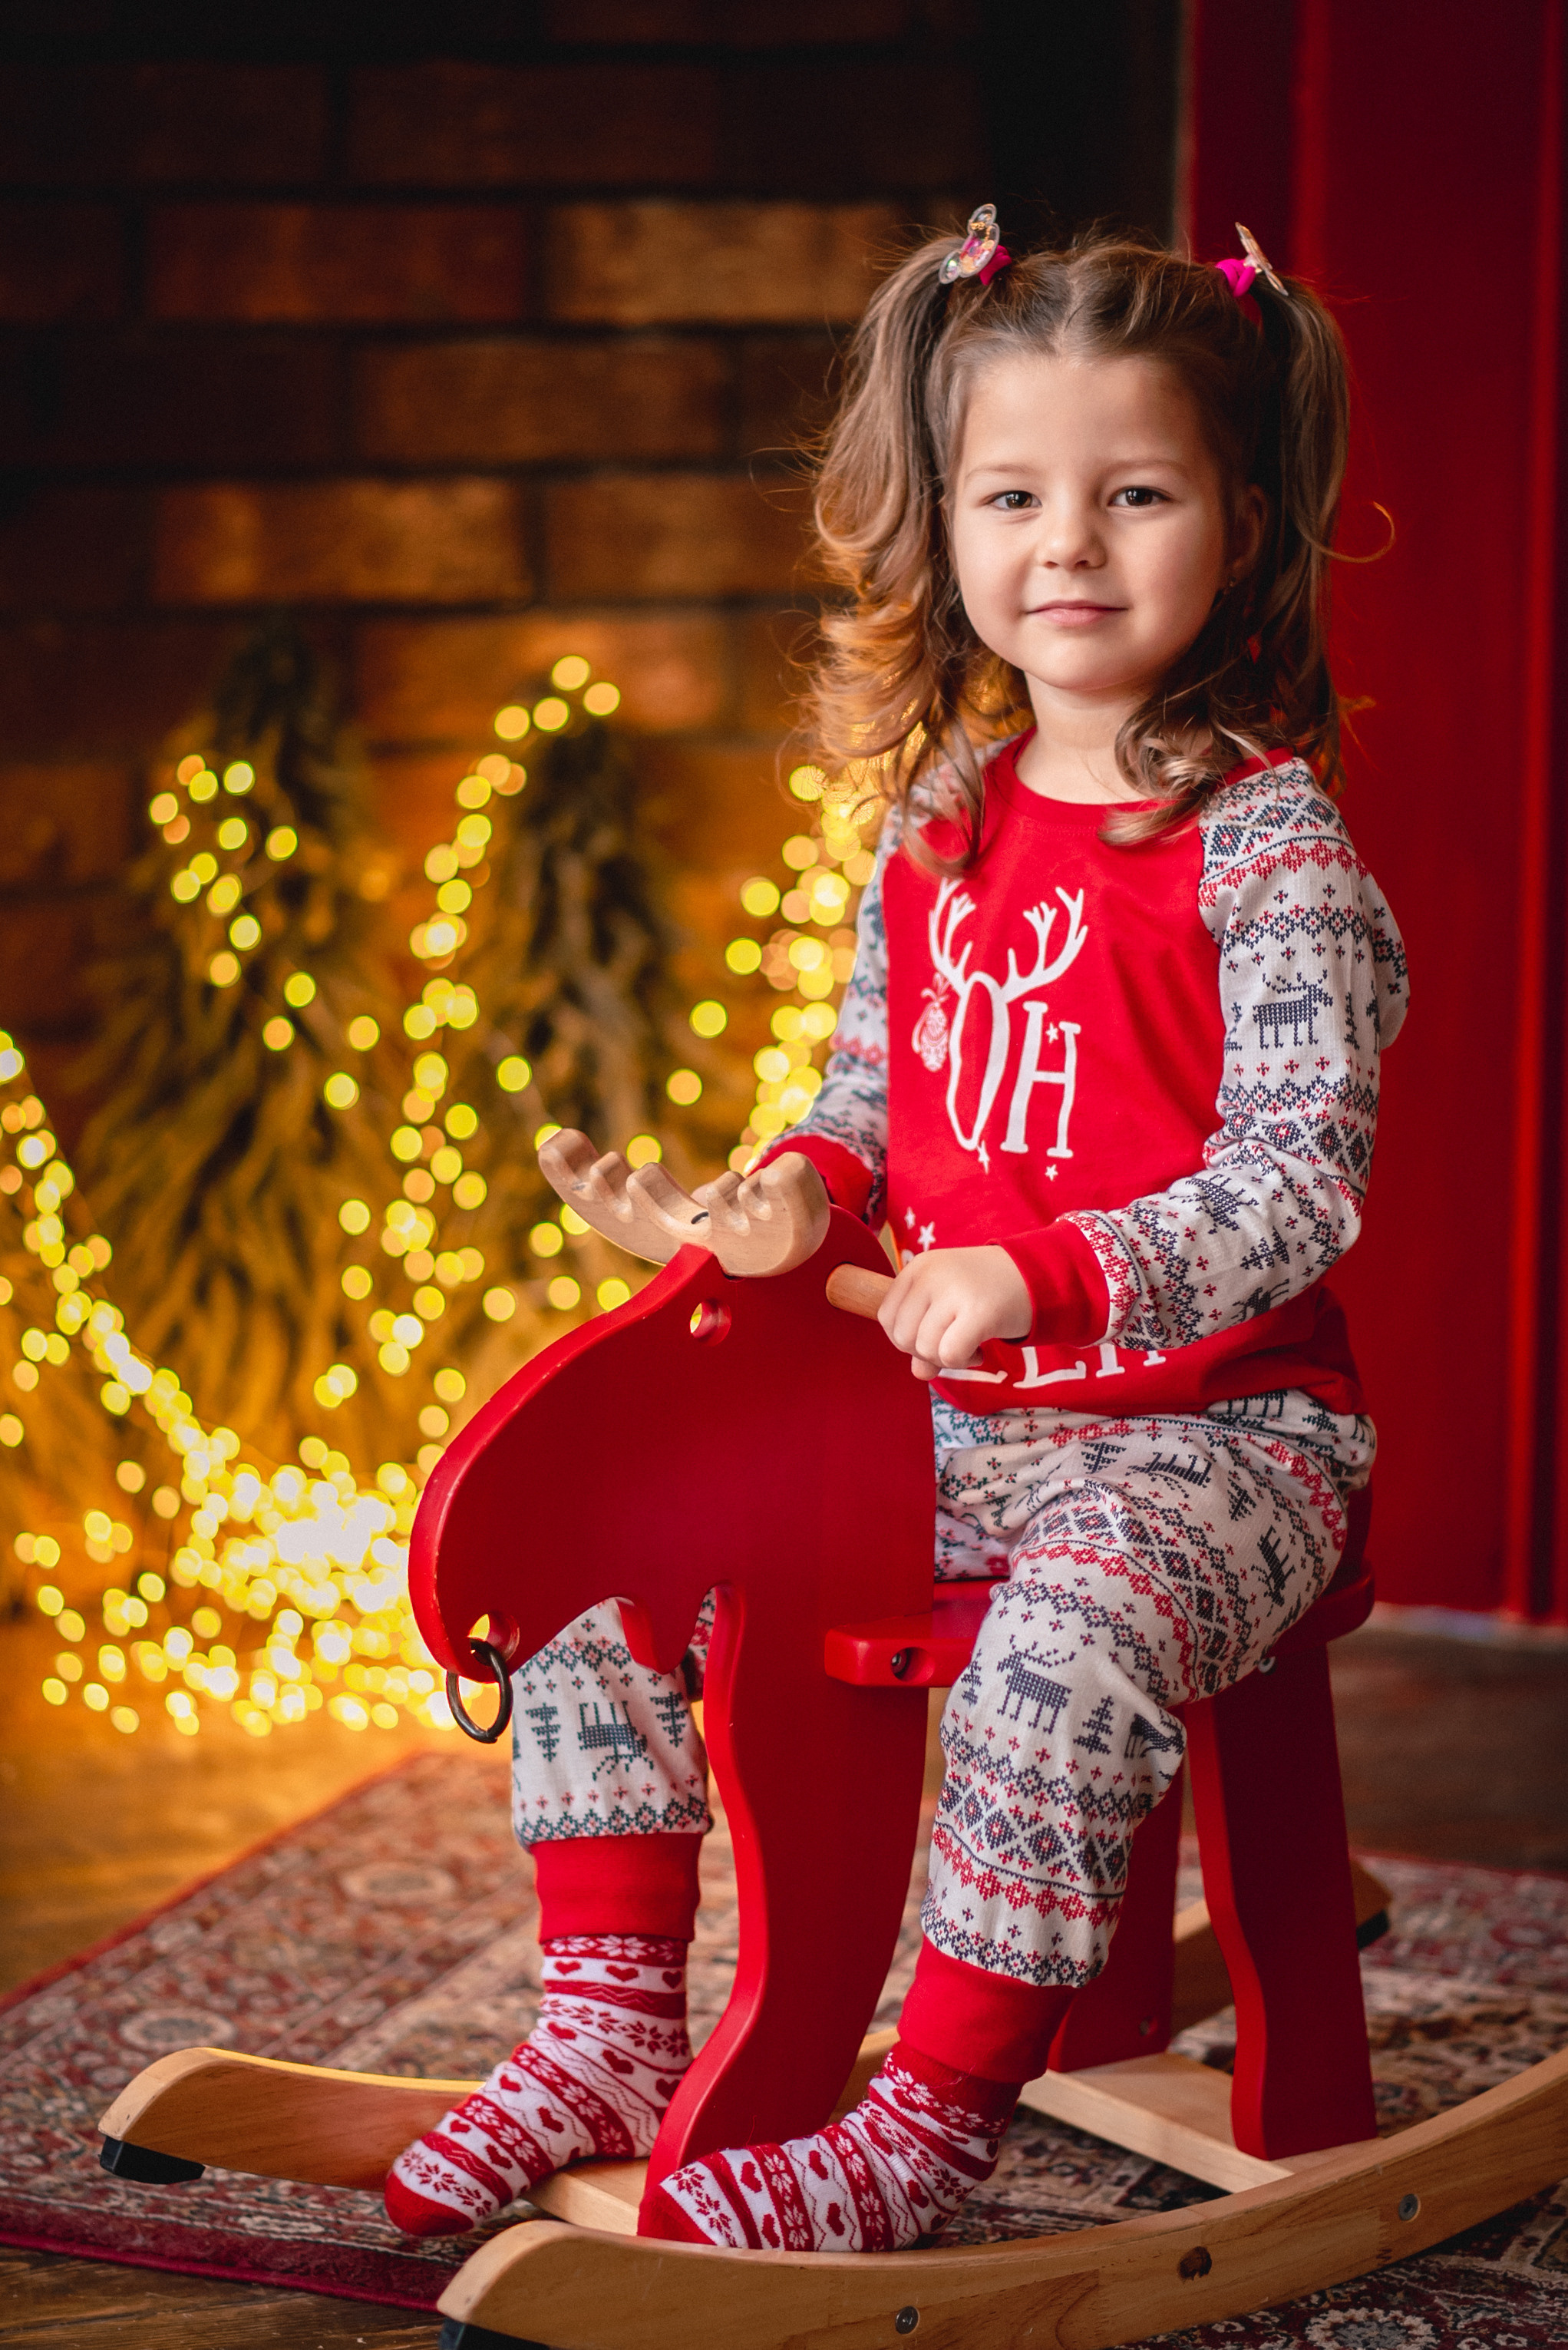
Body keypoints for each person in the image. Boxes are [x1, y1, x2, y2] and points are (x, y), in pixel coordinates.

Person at [384, 210, 1407, 2254]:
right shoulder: (941, 806)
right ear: (940, 518)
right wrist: (783, 1200)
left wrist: (1049, 1271)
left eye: (1135, 496)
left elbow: (1302, 1177)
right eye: (1010, 496)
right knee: (627, 1530)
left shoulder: (1269, 846)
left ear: (1242, 520)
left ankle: (928, 2116)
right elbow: (869, 1101)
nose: (1069, 549)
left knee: (1065, 1630)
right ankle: (601, 2017)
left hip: (1222, 1439)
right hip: (956, 1415)